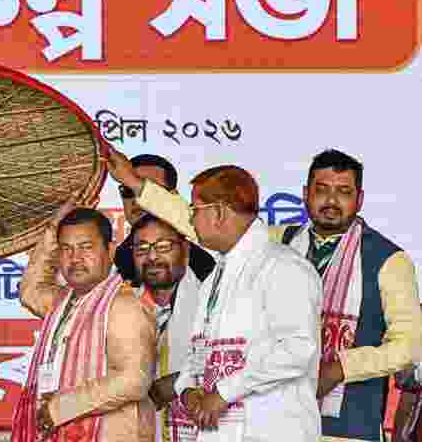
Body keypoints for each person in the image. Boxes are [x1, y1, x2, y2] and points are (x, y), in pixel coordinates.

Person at [106, 148, 323, 442]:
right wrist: (188, 390)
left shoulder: (283, 267)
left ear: (219, 212)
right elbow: (200, 354)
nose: (190, 222)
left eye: (194, 211)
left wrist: (223, 392)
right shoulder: (216, 276)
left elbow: (298, 350)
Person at [274, 149, 422, 442]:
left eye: (343, 192)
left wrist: (341, 368)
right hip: (274, 424)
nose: (331, 201)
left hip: (347, 431)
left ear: (360, 199)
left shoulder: (388, 259)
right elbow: (211, 227)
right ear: (305, 194)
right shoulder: (277, 243)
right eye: (322, 190)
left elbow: (410, 346)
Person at [15, 203, 156, 442]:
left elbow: (135, 379)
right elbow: (30, 291)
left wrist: (62, 407)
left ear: (110, 251)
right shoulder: (62, 301)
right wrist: (52, 229)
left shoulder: (123, 305)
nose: (75, 258)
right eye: (66, 249)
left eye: (86, 247)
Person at [129, 214, 202, 442]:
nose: (152, 256)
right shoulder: (120, 307)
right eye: (141, 249)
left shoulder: (212, 303)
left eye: (163, 246)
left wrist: (176, 384)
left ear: (186, 250)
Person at [113, 153, 214, 284]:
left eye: (150, 189)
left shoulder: (209, 249)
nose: (138, 201)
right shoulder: (111, 261)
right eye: (128, 190)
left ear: (172, 197)